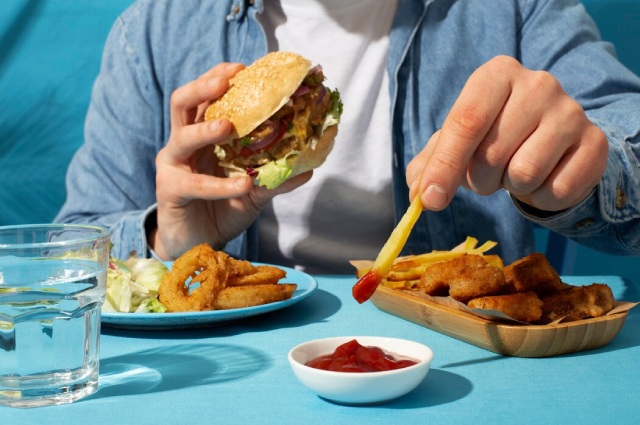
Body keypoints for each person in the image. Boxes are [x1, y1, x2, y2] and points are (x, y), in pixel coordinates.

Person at [55, 0, 640, 274]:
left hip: (463, 360)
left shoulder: (516, 9)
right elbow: (68, 250)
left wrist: (584, 166)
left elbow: (625, 133)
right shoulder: (154, 28)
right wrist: (169, 237)